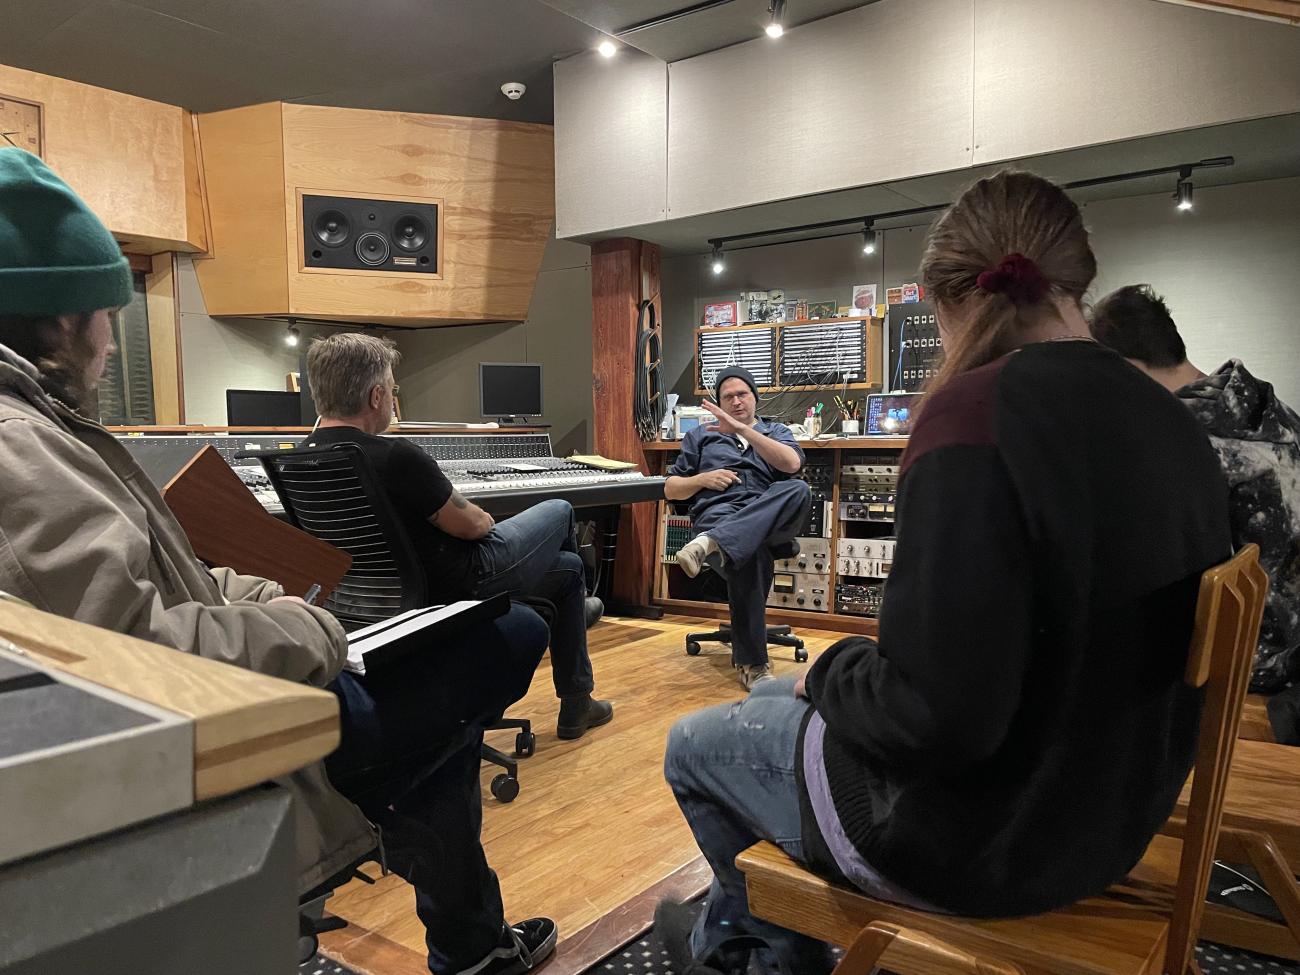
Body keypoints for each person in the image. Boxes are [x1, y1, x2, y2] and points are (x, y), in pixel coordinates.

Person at [0, 147, 557, 975]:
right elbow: (132, 663)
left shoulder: (49, 436)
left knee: (439, 735)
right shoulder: (24, 450)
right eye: (105, 313)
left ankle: (462, 937)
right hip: (238, 731)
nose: (114, 342)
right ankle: (467, 938)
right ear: (57, 317)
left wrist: (270, 597)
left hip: (260, 677)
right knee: (513, 629)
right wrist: (306, 624)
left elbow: (169, 576)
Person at [660, 171, 1232, 974]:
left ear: (943, 297)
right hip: (1109, 813)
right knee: (766, 695)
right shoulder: (1169, 419)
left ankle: (755, 956)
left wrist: (832, 670)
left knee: (693, 744)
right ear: (1078, 280)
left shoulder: (971, 418)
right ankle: (736, 937)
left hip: (983, 841)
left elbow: (934, 719)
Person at [302, 332, 613, 740]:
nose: (393, 399)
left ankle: (577, 701)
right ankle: (582, 616)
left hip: (372, 598)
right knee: (560, 510)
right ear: (377, 396)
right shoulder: (396, 456)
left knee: (568, 569)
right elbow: (472, 526)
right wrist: (481, 516)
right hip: (460, 582)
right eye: (393, 389)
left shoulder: (299, 459)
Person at [1091, 284, 1300, 743]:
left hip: (1241, 684)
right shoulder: (1271, 412)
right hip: (1289, 662)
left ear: (1127, 369)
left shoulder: (1179, 442)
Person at [664, 366, 811, 690]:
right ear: (718, 402)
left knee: (797, 489)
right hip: (721, 514)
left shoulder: (775, 432)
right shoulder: (699, 437)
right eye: (728, 396)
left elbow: (792, 465)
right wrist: (700, 479)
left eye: (742, 394)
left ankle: (712, 542)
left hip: (769, 517)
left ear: (755, 397)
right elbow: (671, 489)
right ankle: (753, 665)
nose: (736, 401)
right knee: (747, 552)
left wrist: (744, 431)